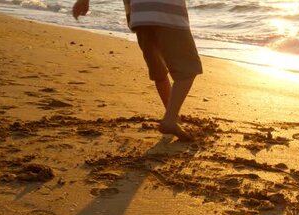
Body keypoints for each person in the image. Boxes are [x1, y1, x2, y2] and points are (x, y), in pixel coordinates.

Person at [72, 0, 203, 141]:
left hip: (140, 16)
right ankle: (170, 120)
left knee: (158, 70)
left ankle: (172, 116)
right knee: (187, 70)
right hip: (167, 13)